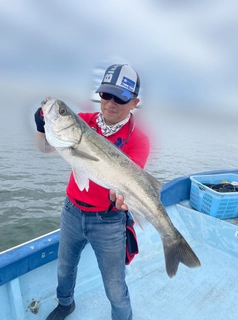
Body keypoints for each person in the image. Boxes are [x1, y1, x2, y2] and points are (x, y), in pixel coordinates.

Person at [34, 64, 150, 320]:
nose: (110, 102)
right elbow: (45, 149)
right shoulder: (83, 122)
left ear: (134, 102)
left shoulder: (138, 139)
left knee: (115, 286)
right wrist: (43, 127)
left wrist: (120, 199)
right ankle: (65, 303)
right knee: (64, 268)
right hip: (72, 212)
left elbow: (130, 182)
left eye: (120, 97)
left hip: (109, 222)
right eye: (105, 94)